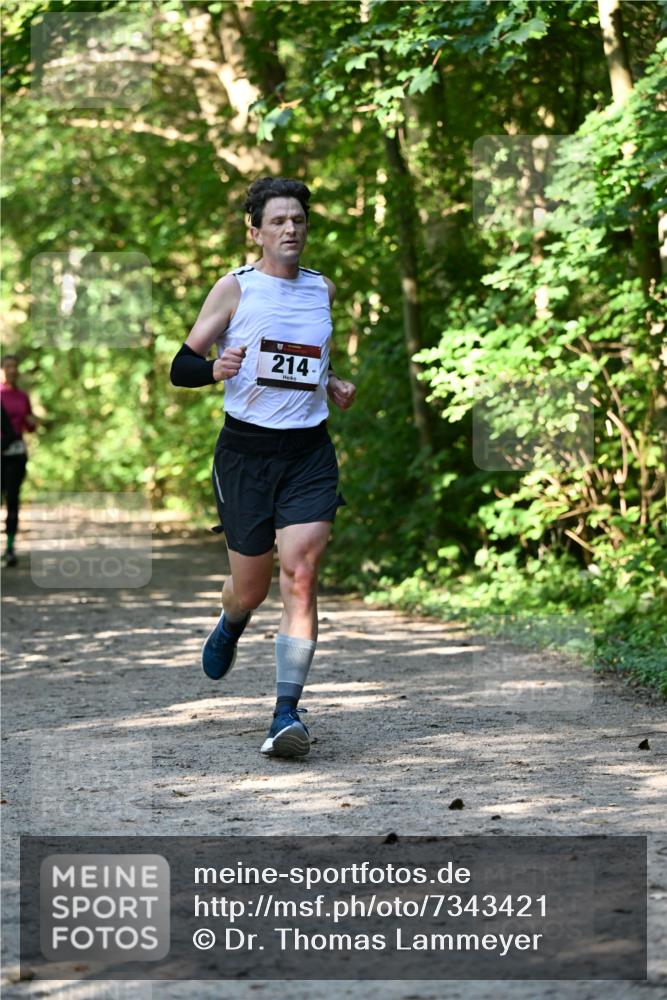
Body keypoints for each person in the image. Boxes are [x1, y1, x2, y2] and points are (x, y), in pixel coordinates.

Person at [170, 177, 356, 759]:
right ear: (255, 231)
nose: (291, 229)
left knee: (300, 572)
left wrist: (332, 381)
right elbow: (181, 366)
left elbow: (304, 363)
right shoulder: (234, 289)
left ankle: (286, 713)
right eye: (278, 221)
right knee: (249, 588)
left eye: (298, 220)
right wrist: (215, 369)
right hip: (245, 454)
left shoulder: (321, 289)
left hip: (308, 452)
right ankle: (230, 620)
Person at [1, 355, 37, 567]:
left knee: (12, 498)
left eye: (15, 367)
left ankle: (10, 548)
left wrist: (33, 423)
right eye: (7, 366)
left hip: (16, 453)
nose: (11, 370)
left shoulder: (22, 397)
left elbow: (29, 425)